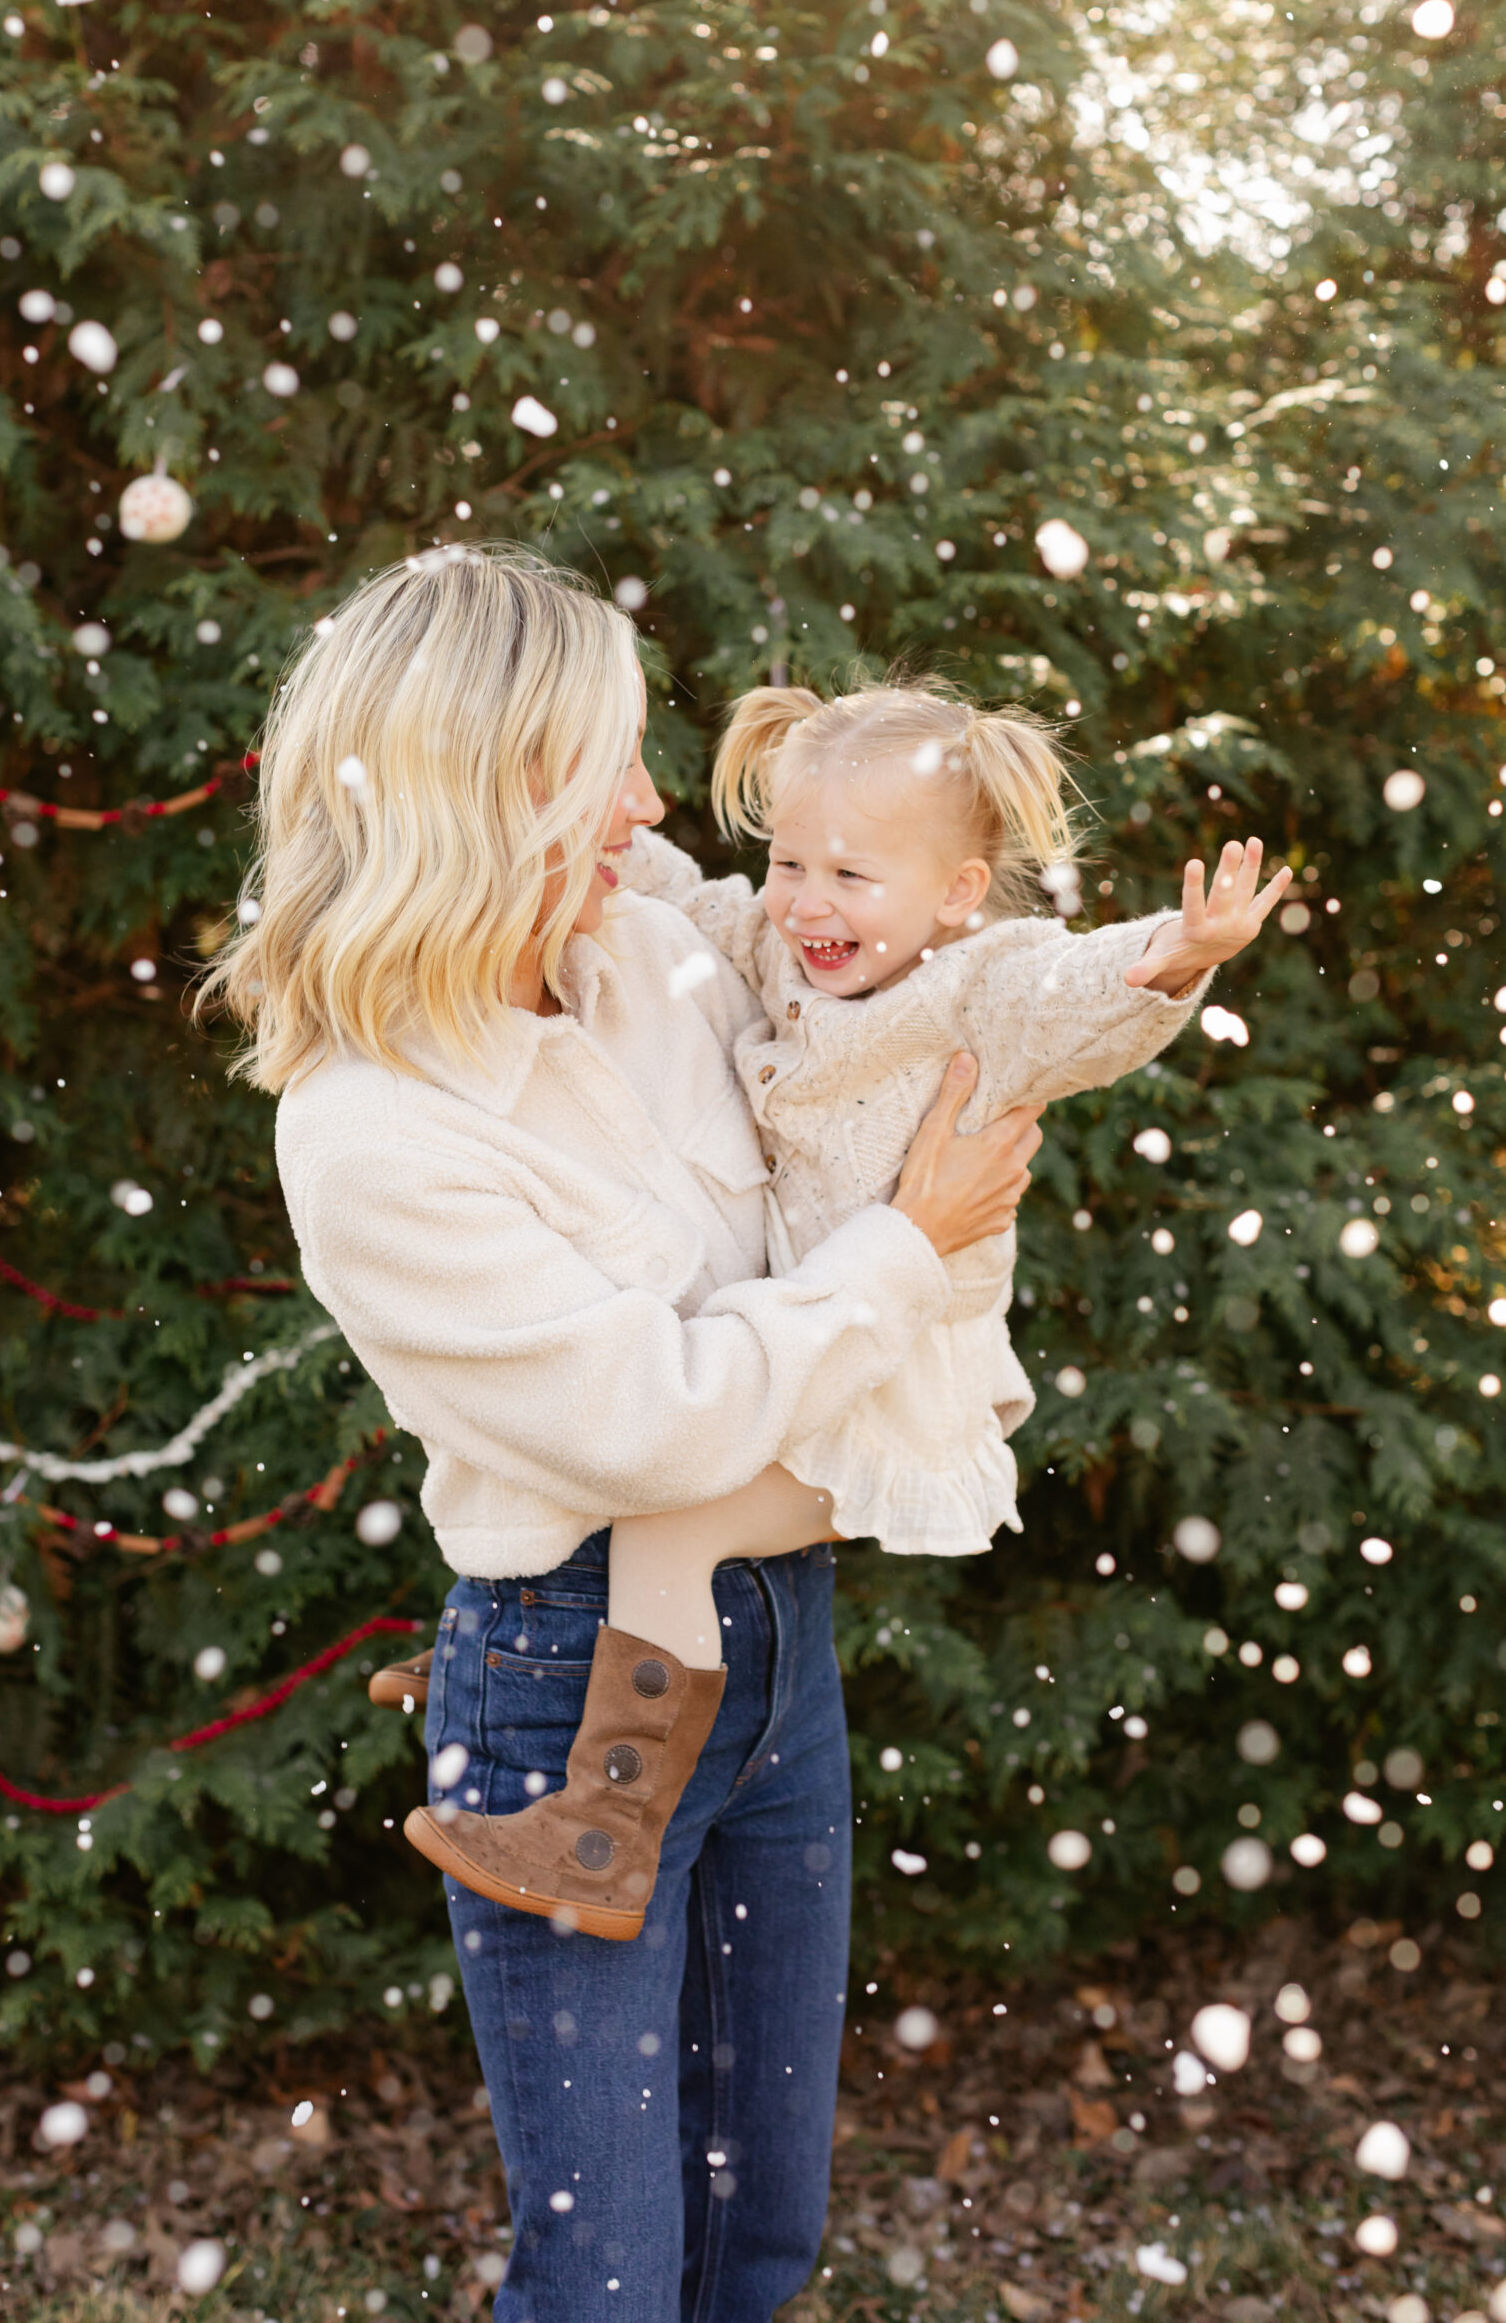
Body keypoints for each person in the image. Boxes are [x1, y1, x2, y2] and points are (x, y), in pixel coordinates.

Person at [200, 542, 1043, 2323]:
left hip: (772, 1658)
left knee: (758, 2240)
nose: (657, 806)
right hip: (564, 1673)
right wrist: (916, 1247)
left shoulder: (656, 953)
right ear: (492, 789)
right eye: (610, 763)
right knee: (605, 2279)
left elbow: (881, 1010)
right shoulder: (373, 1134)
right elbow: (660, 1430)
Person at [393, 674, 1289, 1934]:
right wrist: (553, 802)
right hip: (816, 1348)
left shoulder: (979, 986)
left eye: (852, 878)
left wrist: (1172, 956)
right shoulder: (782, 945)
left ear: (958, 894)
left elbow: (1073, 994)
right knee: (656, 1517)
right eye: (792, 861)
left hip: (885, 1384)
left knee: (665, 1532)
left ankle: (601, 1823)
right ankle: (519, 1671)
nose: (810, 903)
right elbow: (684, 897)